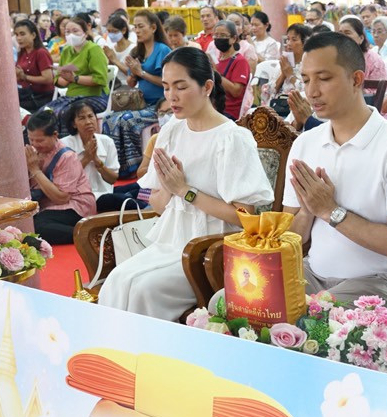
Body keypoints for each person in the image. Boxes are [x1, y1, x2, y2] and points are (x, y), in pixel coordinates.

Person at [98, 48, 273, 320]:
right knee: (117, 280)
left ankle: (156, 360)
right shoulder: (172, 131)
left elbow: (245, 217)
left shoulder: (232, 138)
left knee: (143, 289)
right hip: (170, 241)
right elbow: (157, 204)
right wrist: (169, 186)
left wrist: (185, 191)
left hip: (210, 250)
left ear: (206, 87)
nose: (171, 96)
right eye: (167, 87)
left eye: (181, 87)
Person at [285, 32, 387, 321]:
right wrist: (307, 209)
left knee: (315, 317)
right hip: (314, 275)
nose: (311, 91)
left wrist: (330, 211)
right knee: (229, 301)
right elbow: (292, 237)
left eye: (323, 78)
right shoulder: (306, 143)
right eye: (305, 80)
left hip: (386, 283)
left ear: (356, 79)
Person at [24, 107, 96, 244]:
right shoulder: (33, 152)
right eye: (31, 139)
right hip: (46, 206)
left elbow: (61, 198)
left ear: (55, 135)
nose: (34, 145)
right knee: (25, 222)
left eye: (40, 141)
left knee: (38, 226)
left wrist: (35, 170)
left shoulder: (67, 157)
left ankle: (86, 235)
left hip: (75, 205)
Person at [61, 98, 125, 212]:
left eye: (91, 116)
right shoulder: (65, 145)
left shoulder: (107, 141)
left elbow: (113, 179)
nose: (88, 121)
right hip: (83, 197)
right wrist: (87, 158)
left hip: (107, 191)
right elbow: (67, 180)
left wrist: (96, 160)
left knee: (140, 188)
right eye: (82, 118)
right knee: (124, 200)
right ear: (73, 124)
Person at [50, 19, 111, 121]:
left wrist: (74, 78)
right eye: (67, 32)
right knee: (46, 113)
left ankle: (77, 137)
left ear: (85, 34)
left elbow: (100, 79)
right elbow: (59, 80)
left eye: (75, 31)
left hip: (94, 96)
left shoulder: (93, 49)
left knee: (65, 114)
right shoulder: (66, 50)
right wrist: (65, 78)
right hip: (71, 97)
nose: (71, 35)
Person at [208, 19, 253, 121]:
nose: (219, 38)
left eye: (223, 35)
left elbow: (236, 91)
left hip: (229, 112)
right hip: (214, 108)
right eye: (216, 35)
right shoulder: (217, 60)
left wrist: (215, 72)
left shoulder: (240, 61)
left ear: (233, 39)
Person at [336, 14, 387, 90]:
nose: (342, 37)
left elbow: (376, 92)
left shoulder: (374, 60)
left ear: (361, 38)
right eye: (340, 33)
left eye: (347, 33)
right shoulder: (334, 57)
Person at [14, 19, 56, 112]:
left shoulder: (40, 52)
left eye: (22, 34)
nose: (19, 38)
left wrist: (24, 77)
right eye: (16, 35)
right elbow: (19, 77)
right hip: (26, 94)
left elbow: (48, 79)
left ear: (33, 35)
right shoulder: (22, 52)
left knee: (12, 108)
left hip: (40, 97)